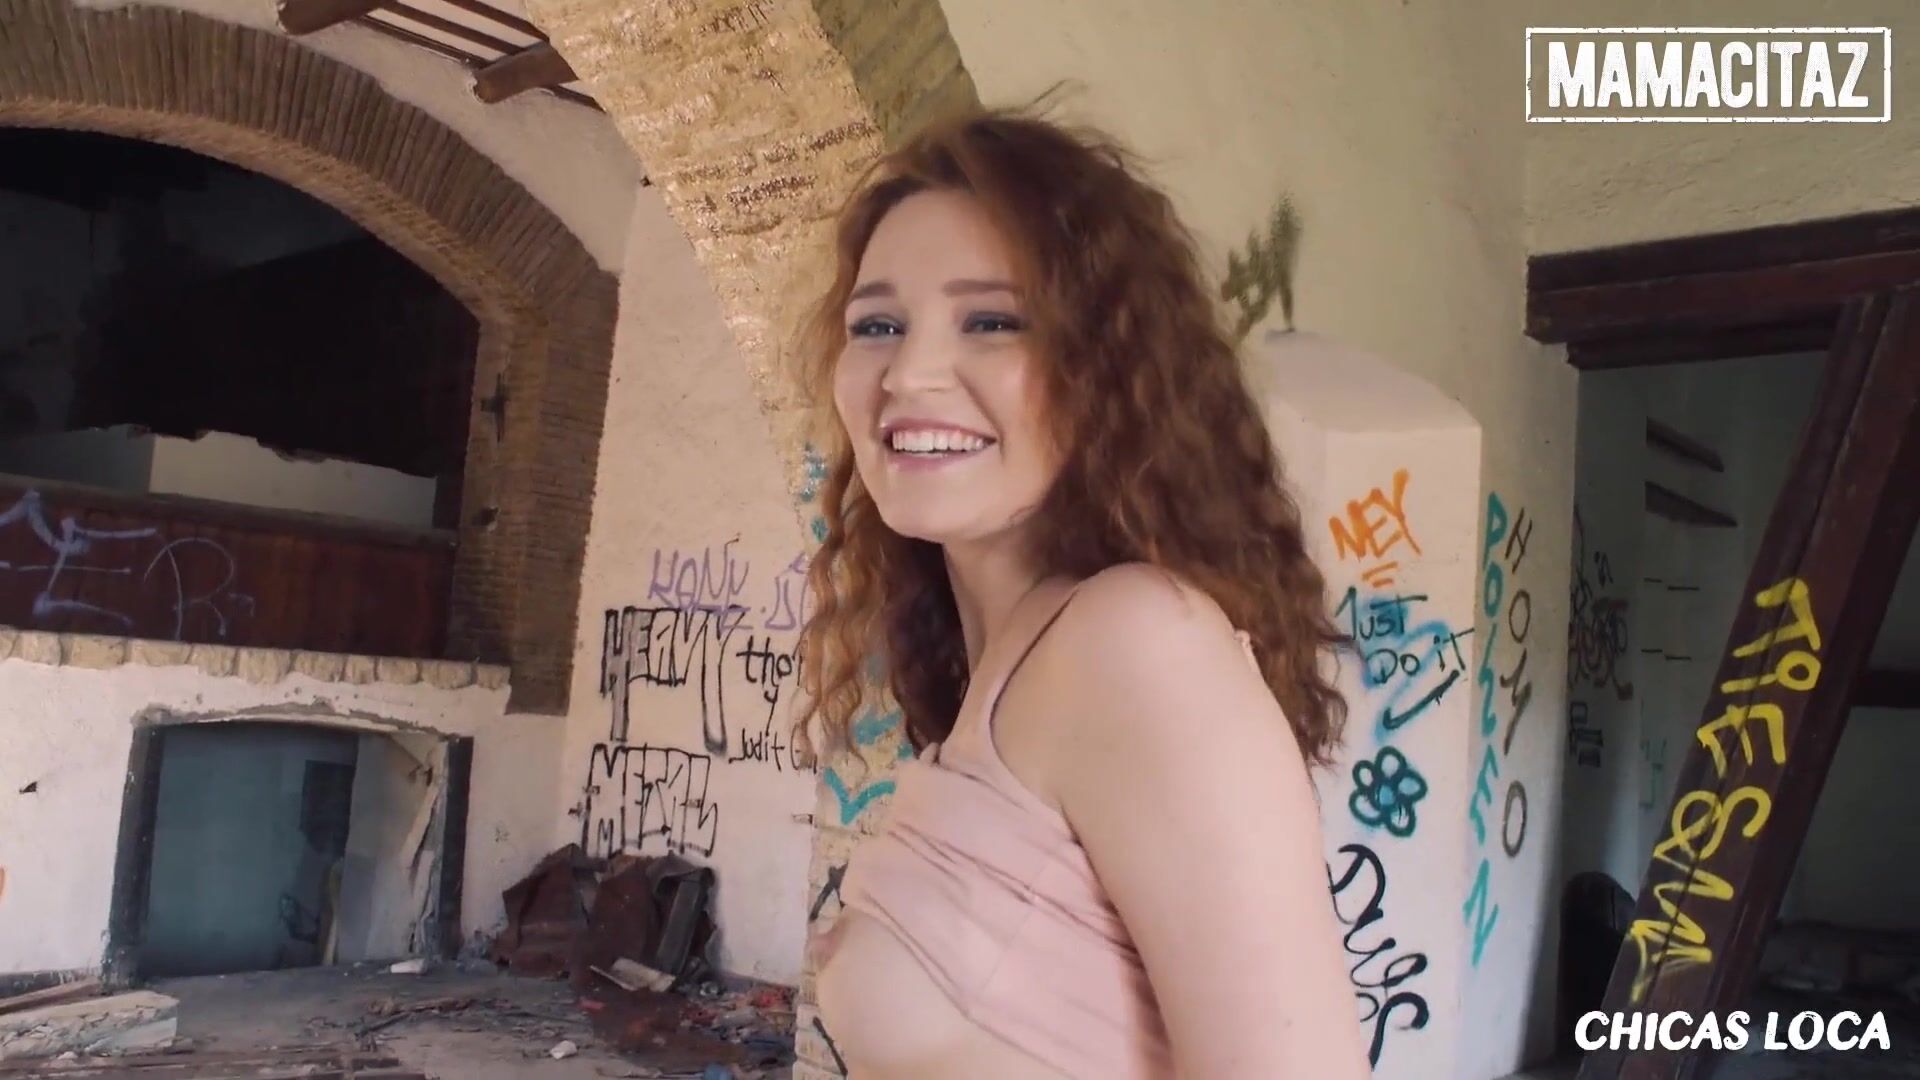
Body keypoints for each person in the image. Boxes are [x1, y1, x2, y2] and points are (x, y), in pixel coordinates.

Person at [795, 105, 1370, 1080]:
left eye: (993, 321)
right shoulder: (1007, 671)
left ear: (1105, 370)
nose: (910, 373)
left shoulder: (1134, 641)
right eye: (877, 325)